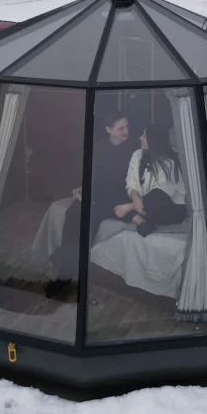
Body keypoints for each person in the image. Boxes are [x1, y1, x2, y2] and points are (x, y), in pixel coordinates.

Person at [43, 111, 136, 297]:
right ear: (109, 129)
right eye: (121, 128)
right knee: (73, 214)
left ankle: (76, 273)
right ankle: (65, 275)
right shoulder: (99, 147)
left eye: (127, 127)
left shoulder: (134, 150)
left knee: (87, 224)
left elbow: (131, 184)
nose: (126, 131)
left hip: (118, 200)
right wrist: (84, 188)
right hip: (98, 196)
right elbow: (94, 175)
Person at [120, 123, 187, 238]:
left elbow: (161, 194)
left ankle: (136, 215)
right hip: (143, 205)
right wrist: (135, 199)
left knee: (156, 197)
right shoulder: (137, 155)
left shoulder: (169, 162)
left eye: (144, 136)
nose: (140, 138)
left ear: (154, 140)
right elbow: (131, 182)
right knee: (113, 194)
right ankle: (142, 222)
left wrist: (130, 206)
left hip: (167, 207)